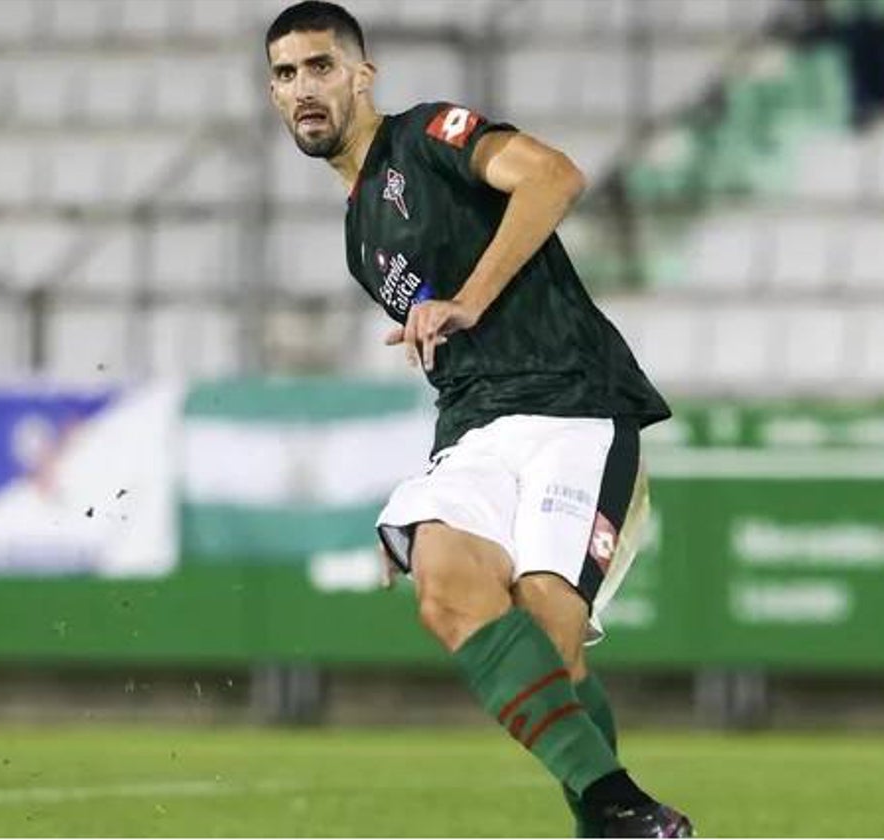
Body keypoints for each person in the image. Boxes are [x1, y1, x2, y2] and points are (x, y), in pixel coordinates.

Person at [264, 2, 693, 837]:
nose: (303, 88)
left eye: (320, 66)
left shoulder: (428, 136)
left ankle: (608, 817)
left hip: (575, 404)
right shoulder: (359, 237)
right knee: (443, 582)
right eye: (284, 75)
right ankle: (620, 810)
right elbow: (457, 353)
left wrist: (465, 299)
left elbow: (555, 175)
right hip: (476, 428)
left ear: (363, 74)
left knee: (548, 640)